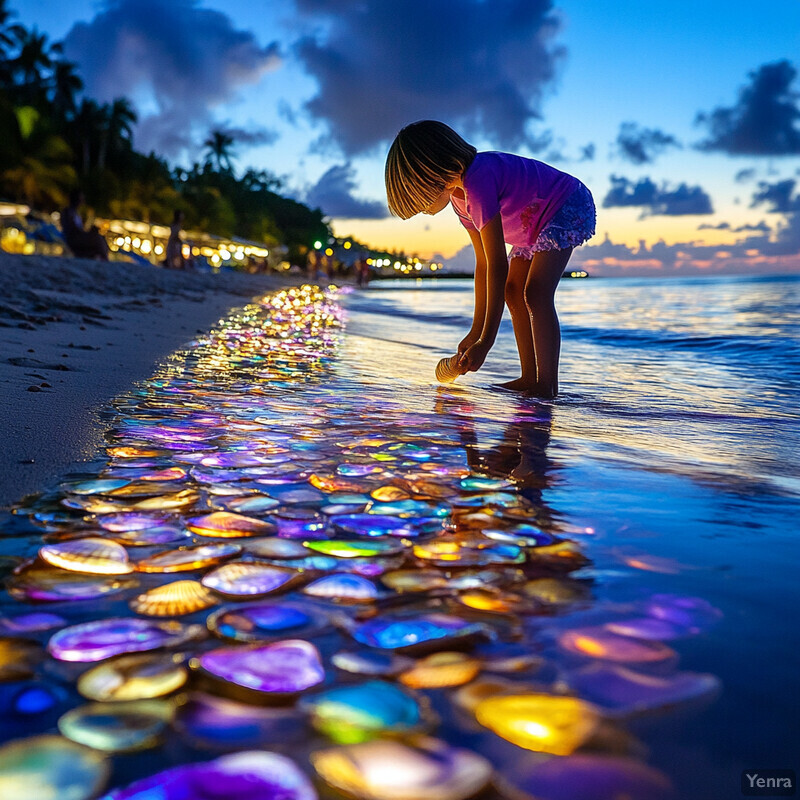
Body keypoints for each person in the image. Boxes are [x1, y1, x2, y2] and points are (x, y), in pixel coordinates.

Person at [385, 120, 596, 398]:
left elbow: (497, 262)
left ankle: (546, 384)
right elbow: (483, 264)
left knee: (536, 292)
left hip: (564, 204)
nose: (422, 208)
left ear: (431, 173)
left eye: (419, 198)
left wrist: (486, 341)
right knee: (512, 290)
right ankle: (529, 377)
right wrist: (475, 333)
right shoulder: (460, 201)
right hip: (530, 224)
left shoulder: (478, 179)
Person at [60, 190, 109, 261]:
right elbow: (71, 229)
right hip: (73, 240)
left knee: (100, 238)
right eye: (80, 199)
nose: (82, 202)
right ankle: (105, 259)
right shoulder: (68, 212)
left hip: (77, 237)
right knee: (98, 240)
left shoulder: (76, 213)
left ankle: (103, 258)